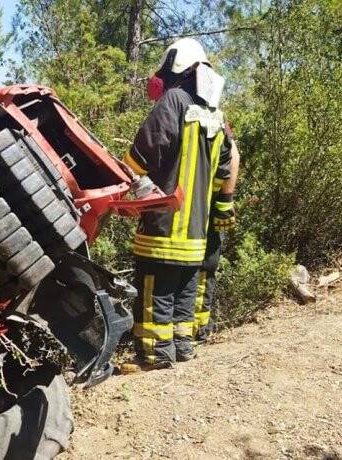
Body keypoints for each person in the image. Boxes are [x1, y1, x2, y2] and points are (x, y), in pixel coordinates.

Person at [123, 38, 232, 368]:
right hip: (195, 236)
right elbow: (224, 170)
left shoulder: (174, 101)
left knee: (155, 294)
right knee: (184, 294)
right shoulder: (215, 115)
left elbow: (139, 159)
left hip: (163, 229)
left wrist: (131, 179)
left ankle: (155, 356)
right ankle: (182, 349)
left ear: (177, 66)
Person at [194, 130, 239, 342]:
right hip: (196, 204)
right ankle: (193, 331)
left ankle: (199, 329)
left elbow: (233, 154)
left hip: (208, 205)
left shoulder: (215, 121)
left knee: (205, 266)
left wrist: (225, 200)